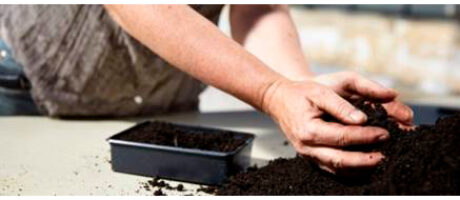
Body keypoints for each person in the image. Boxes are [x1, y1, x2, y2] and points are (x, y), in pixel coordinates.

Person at [0, 5, 414, 174]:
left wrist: (298, 87)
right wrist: (271, 91)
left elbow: (258, 8)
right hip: (34, 83)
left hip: (161, 103)